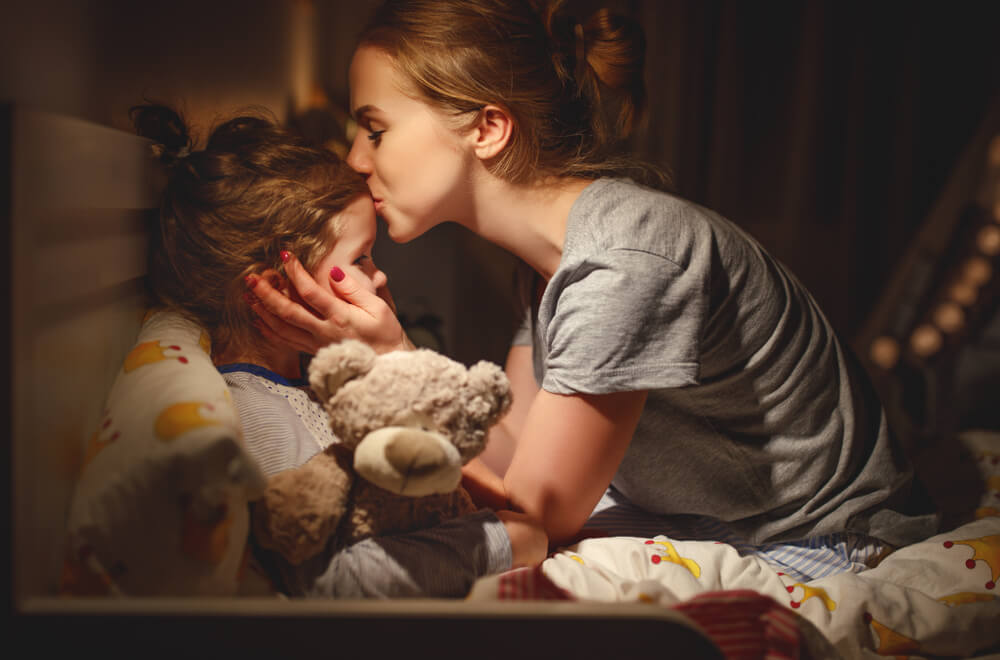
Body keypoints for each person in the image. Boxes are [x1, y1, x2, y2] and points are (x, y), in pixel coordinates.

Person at [246, 0, 940, 573]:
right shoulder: (551, 259)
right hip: (723, 516)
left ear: (487, 127)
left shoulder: (619, 261)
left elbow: (536, 512)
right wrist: (392, 361)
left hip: (828, 538)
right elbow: (514, 444)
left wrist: (393, 356)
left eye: (374, 129)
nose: (354, 159)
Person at [131, 102, 546, 597]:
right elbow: (331, 580)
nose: (380, 275)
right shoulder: (259, 414)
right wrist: (496, 543)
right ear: (281, 287)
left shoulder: (318, 388)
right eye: (362, 258)